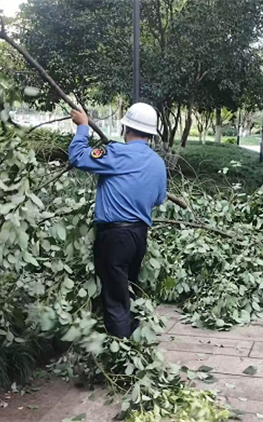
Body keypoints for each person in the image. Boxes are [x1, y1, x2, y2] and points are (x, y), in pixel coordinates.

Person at [69, 103, 167, 337]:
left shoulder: (116, 153)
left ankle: (120, 350)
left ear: (125, 128)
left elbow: (78, 157)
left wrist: (83, 127)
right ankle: (132, 339)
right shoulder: (158, 163)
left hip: (114, 237)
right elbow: (159, 199)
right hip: (139, 237)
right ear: (151, 134)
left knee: (114, 298)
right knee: (128, 290)